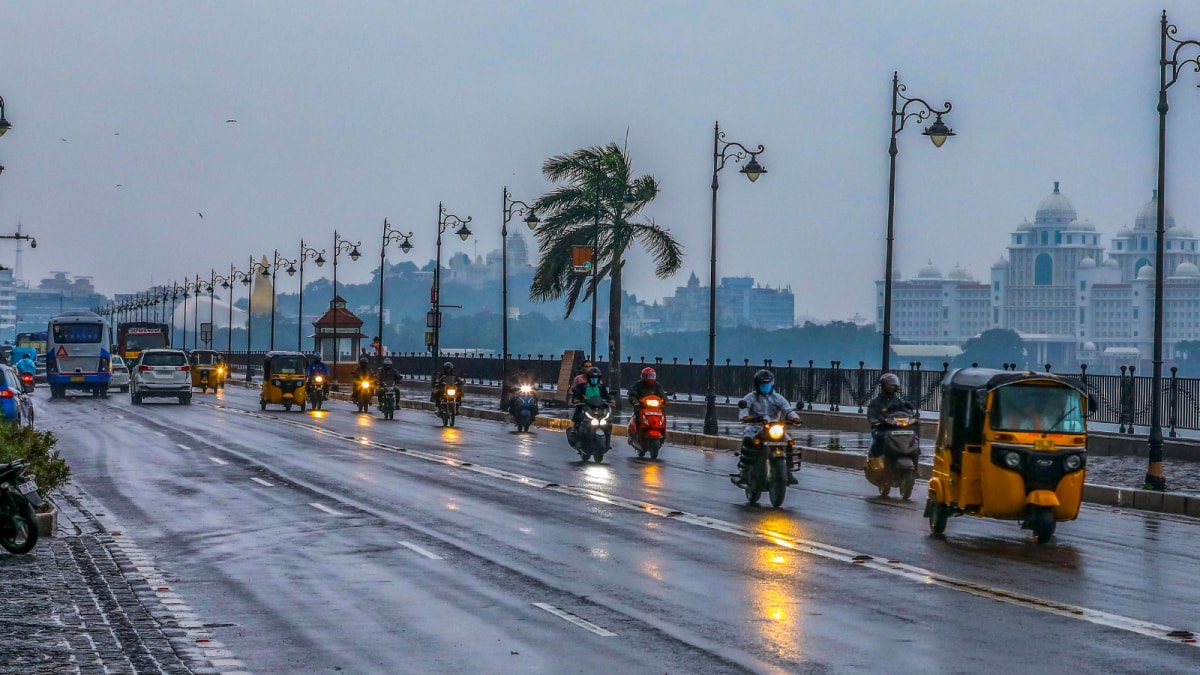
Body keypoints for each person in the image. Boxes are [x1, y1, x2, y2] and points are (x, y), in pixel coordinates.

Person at [733, 369, 801, 487]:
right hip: (756, 427)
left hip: (774, 428)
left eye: (768, 384)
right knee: (748, 440)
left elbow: (787, 409)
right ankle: (744, 473)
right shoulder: (750, 397)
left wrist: (795, 418)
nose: (766, 387)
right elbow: (744, 410)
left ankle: (788, 472)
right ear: (757, 385)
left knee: (788, 441)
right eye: (763, 385)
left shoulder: (778, 398)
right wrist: (746, 417)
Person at [867, 373, 918, 458]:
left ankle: (914, 454)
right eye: (890, 385)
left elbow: (906, 413)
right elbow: (871, 417)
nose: (892, 387)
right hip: (882, 428)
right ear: (883, 386)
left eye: (894, 385)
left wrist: (912, 419)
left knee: (913, 435)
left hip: (897, 428)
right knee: (880, 437)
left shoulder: (898, 401)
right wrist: (880, 421)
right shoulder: (875, 402)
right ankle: (876, 456)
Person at [570, 366, 613, 446]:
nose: (594, 379)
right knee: (578, 418)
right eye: (592, 377)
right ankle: (577, 437)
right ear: (588, 378)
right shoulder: (581, 387)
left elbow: (607, 396)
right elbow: (576, 395)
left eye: (596, 378)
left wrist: (611, 400)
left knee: (608, 422)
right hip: (586, 408)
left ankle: (607, 441)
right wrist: (577, 399)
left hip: (599, 409)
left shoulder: (601, 387)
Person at [627, 367, 666, 434]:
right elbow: (632, 394)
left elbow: (662, 393)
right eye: (648, 376)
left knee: (662, 411)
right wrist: (635, 401)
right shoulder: (638, 385)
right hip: (642, 406)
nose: (650, 378)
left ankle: (662, 429)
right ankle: (637, 430)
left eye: (652, 376)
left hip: (655, 407)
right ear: (643, 377)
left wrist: (665, 400)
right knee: (638, 414)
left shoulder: (656, 385)